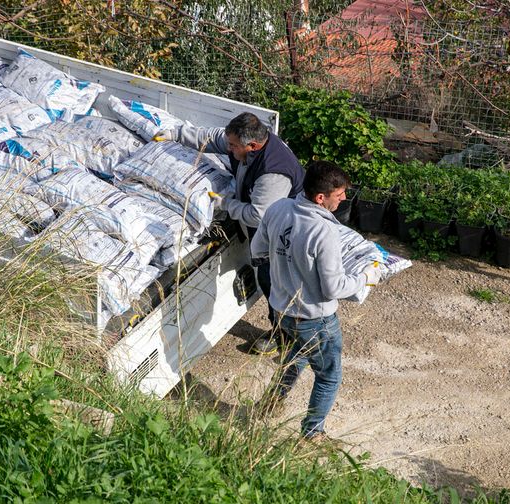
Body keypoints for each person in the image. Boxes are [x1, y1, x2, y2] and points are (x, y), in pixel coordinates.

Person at [250, 160, 381, 442]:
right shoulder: (323, 232)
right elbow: (334, 287)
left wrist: (287, 266)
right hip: (314, 318)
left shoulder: (278, 208)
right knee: (328, 376)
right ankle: (312, 434)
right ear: (321, 198)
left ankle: (269, 404)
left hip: (282, 307)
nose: (345, 198)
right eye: (340, 194)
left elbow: (258, 249)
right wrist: (367, 276)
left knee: (295, 357)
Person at [155, 112, 304, 355]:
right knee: (270, 282)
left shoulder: (272, 172)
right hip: (264, 228)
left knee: (275, 284)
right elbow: (213, 138)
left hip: (281, 236)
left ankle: (287, 338)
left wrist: (225, 203)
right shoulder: (246, 147)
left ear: (252, 146)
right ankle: (285, 331)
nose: (228, 148)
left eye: (233, 146)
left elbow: (258, 215)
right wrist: (176, 134)